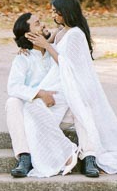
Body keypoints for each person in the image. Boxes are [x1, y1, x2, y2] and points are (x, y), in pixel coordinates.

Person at [27, 0, 117, 179]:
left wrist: (47, 46)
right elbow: (40, 50)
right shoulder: (59, 32)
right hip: (58, 83)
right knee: (43, 109)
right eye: (53, 11)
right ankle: (74, 153)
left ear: (66, 11)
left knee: (80, 109)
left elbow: (68, 65)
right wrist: (28, 47)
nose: (54, 15)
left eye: (57, 11)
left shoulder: (76, 35)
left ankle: (88, 156)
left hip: (72, 84)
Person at [5, 11, 79, 179]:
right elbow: (13, 86)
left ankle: (89, 155)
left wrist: (47, 45)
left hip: (60, 112)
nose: (44, 24)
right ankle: (25, 157)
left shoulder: (56, 51)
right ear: (29, 34)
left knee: (83, 104)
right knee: (13, 102)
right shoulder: (23, 58)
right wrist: (40, 94)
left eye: (41, 21)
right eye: (37, 23)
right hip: (33, 114)